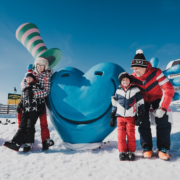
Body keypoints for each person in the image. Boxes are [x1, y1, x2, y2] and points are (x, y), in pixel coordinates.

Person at [130, 49, 175, 160]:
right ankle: (146, 147)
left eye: (137, 69)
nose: (135, 71)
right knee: (143, 121)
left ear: (144, 66)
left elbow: (169, 89)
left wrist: (163, 108)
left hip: (157, 98)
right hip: (143, 100)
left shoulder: (156, 73)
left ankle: (163, 148)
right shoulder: (133, 77)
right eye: (133, 69)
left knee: (163, 121)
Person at [19, 57, 54, 151]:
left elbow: (46, 91)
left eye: (42, 65)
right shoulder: (32, 73)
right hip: (29, 102)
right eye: (38, 65)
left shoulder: (47, 76)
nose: (39, 67)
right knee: (25, 120)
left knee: (43, 122)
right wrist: (28, 90)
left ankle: (45, 140)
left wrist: (33, 93)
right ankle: (24, 138)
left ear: (45, 66)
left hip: (40, 102)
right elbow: (23, 82)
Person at [3, 73, 45, 152]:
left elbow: (41, 97)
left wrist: (42, 107)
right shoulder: (25, 89)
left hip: (34, 109)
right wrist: (19, 105)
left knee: (30, 126)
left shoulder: (37, 86)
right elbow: (22, 99)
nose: (28, 79)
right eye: (27, 78)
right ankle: (16, 143)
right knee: (22, 126)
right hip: (25, 110)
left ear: (33, 78)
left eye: (30, 77)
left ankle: (29, 144)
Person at [110, 72, 145, 161]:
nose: (125, 81)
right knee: (121, 135)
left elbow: (140, 103)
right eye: (123, 80)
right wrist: (113, 116)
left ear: (129, 80)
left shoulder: (135, 89)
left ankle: (131, 152)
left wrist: (140, 115)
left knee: (130, 134)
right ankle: (122, 151)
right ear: (120, 82)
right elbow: (115, 104)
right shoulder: (118, 91)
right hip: (120, 117)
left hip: (131, 116)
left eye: (126, 79)